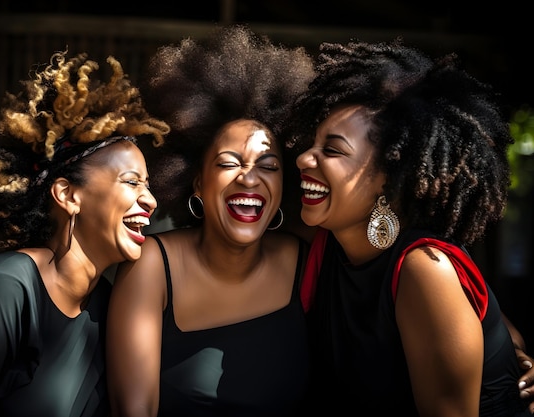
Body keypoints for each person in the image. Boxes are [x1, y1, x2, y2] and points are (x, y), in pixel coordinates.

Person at [0, 49, 169, 417]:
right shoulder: (3, 292)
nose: (150, 200)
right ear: (68, 195)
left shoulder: (112, 307)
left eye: (148, 185)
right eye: (132, 182)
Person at [287, 38, 533, 416]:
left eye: (332, 150)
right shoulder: (326, 245)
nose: (304, 157)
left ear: (388, 177)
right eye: (312, 143)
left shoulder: (424, 268)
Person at [105, 25, 316, 417]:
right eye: (229, 163)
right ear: (196, 182)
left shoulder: (305, 262)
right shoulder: (152, 266)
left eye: (268, 167)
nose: (249, 178)